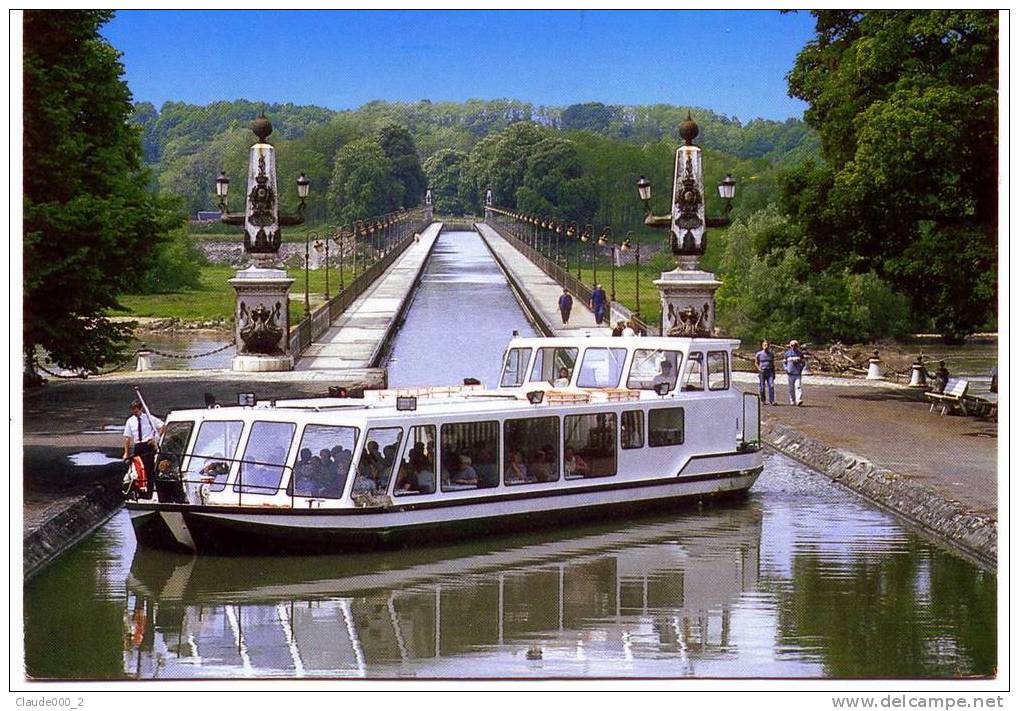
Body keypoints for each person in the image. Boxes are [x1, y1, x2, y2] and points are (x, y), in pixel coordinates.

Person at [122, 399, 164, 481]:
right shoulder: (130, 421)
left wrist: (156, 439)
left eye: (136, 411)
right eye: (133, 410)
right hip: (138, 445)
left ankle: (150, 487)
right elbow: (127, 438)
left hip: (148, 444)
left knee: (149, 469)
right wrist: (126, 453)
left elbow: (162, 426)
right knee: (137, 468)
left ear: (141, 409)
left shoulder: (149, 418)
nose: (134, 413)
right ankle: (140, 487)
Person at [783, 340, 806, 406]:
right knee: (791, 388)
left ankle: (798, 400)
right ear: (790, 346)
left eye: (795, 345)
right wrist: (786, 369)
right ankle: (792, 400)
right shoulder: (787, 353)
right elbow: (784, 362)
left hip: (797, 373)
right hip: (790, 373)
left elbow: (803, 362)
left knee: (798, 386)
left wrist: (800, 368)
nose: (793, 347)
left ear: (797, 346)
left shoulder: (800, 353)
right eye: (792, 345)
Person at [755, 340, 777, 405]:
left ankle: (772, 400)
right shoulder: (759, 354)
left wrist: (774, 373)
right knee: (762, 387)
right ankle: (763, 400)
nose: (766, 346)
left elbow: (773, 364)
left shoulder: (771, 354)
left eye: (767, 345)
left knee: (771, 386)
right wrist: (759, 368)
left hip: (770, 371)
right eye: (764, 345)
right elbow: (756, 362)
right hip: (762, 371)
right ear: (762, 346)